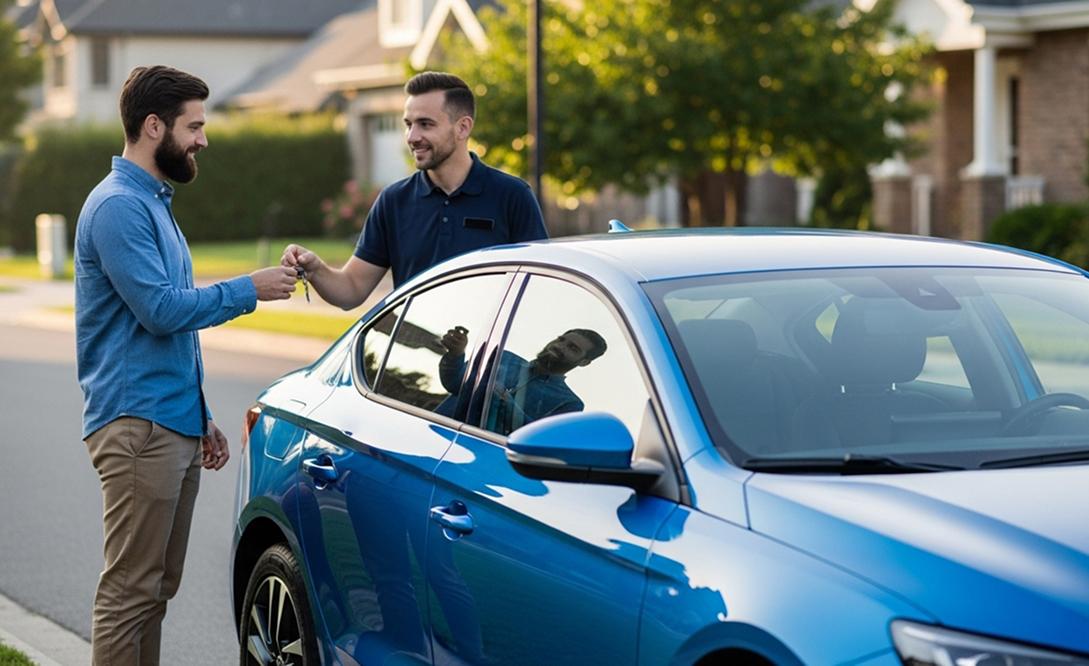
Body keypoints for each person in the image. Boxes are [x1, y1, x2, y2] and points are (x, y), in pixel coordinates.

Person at [73, 65, 297, 665]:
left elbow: (162, 332)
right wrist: (249, 288)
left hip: (167, 422)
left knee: (154, 592)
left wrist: (199, 415)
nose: (203, 139)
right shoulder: (119, 207)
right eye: (194, 126)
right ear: (154, 126)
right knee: (129, 593)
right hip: (136, 425)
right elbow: (160, 311)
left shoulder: (151, 201)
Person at [281, 71, 548, 309]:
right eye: (409, 124)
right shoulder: (393, 201)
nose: (411, 137)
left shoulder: (512, 196)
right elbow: (352, 289)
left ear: (463, 127)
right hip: (413, 360)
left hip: (491, 360)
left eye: (425, 124)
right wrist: (316, 269)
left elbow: (541, 291)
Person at [438, 326, 608, 434]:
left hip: (481, 467)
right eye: (561, 339)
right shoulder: (501, 357)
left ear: (584, 362)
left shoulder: (569, 404)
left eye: (572, 348)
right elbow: (454, 384)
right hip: (436, 436)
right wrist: (456, 354)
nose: (559, 346)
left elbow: (539, 441)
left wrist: (508, 404)